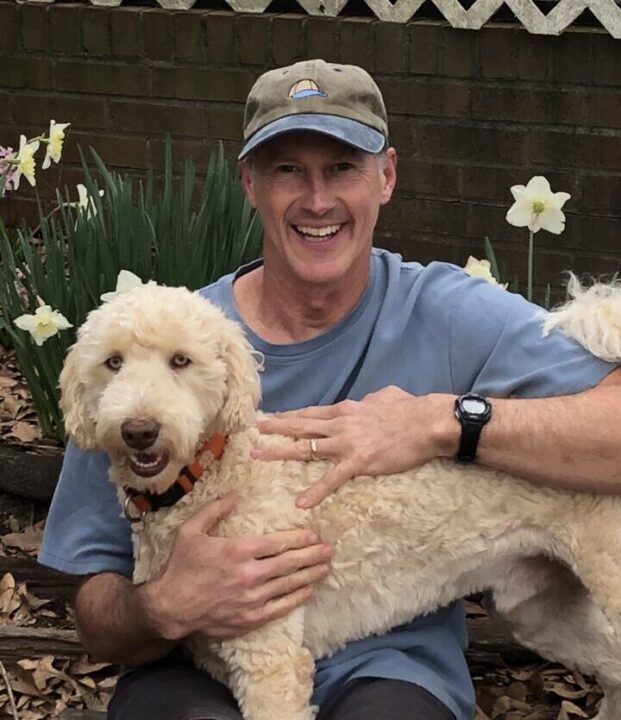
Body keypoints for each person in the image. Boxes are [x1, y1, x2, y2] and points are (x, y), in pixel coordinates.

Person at [39, 59, 621, 720]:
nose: (317, 199)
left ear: (386, 177)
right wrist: (161, 604)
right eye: (288, 169)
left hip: (393, 668)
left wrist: (445, 421)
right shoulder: (156, 342)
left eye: (341, 167)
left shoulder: (448, 311)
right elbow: (95, 618)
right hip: (188, 668)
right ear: (250, 184)